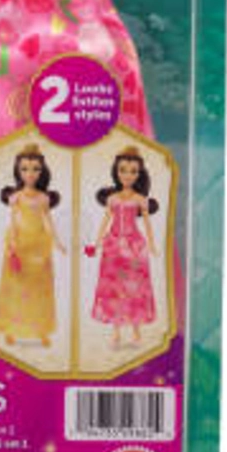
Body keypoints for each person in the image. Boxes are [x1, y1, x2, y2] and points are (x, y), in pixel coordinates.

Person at [0, 146, 64, 345]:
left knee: (40, 289)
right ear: (18, 171)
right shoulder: (16, 197)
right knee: (16, 288)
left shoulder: (43, 198)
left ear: (42, 171)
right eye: (24, 169)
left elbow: (48, 221)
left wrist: (57, 242)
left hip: (40, 245)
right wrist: (12, 243)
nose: (30, 174)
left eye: (35, 169)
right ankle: (12, 328)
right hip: (20, 243)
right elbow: (14, 219)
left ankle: (41, 329)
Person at [89, 149, 158, 348]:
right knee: (114, 288)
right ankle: (116, 333)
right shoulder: (112, 198)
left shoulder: (139, 199)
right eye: (123, 170)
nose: (127, 175)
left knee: (135, 287)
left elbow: (147, 224)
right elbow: (106, 220)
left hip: (134, 245)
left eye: (133, 171)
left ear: (139, 174)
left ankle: (136, 332)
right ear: (116, 172)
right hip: (113, 245)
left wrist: (152, 244)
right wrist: (97, 241)